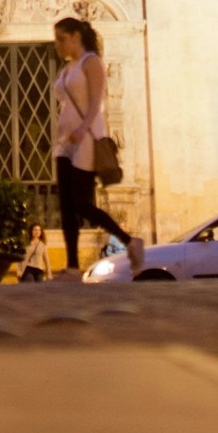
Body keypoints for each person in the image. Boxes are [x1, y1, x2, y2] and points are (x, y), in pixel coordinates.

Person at [50, 17, 144, 282]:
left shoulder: (91, 62)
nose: (57, 44)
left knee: (81, 203)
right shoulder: (68, 68)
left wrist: (83, 128)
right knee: (66, 205)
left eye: (61, 38)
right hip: (64, 141)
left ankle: (130, 241)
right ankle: (71, 267)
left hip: (86, 138)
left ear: (76, 36)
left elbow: (96, 100)